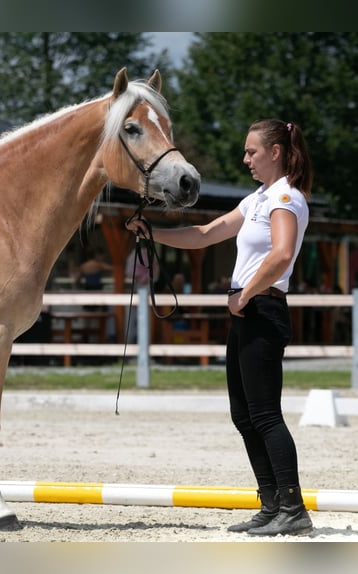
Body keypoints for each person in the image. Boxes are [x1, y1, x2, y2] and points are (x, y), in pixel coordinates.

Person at [126, 119, 313, 537]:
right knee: (244, 415)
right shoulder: (257, 199)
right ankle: (272, 504)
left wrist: (245, 294)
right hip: (248, 310)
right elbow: (208, 233)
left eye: (252, 152)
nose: (245, 159)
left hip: (261, 308)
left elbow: (281, 255)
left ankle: (293, 507)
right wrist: (154, 231)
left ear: (275, 153)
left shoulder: (286, 197)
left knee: (266, 415)